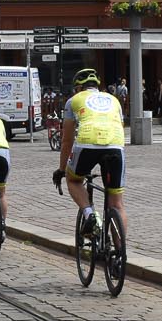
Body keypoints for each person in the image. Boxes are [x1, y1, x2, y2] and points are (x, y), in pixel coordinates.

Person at [52, 68, 127, 240]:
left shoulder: (73, 101)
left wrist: (62, 169)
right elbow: (120, 128)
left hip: (87, 143)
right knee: (117, 204)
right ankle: (120, 253)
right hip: (115, 145)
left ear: (79, 88)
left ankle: (90, 215)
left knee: (73, 180)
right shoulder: (114, 100)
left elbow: (67, 140)